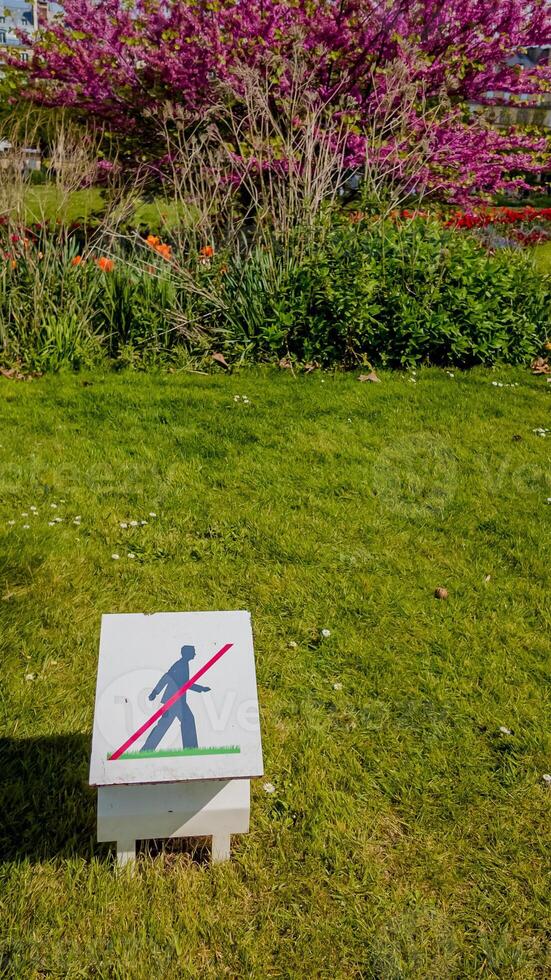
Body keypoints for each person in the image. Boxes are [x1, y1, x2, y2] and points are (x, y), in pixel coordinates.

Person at [140, 644, 210, 751]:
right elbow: (167, 677)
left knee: (181, 721)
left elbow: (183, 683)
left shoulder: (183, 664)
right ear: (187, 653)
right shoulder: (180, 665)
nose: (195, 654)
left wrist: (201, 688)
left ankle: (190, 749)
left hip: (178, 701)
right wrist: (155, 692)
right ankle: (190, 749)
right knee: (167, 725)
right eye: (193, 652)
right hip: (173, 701)